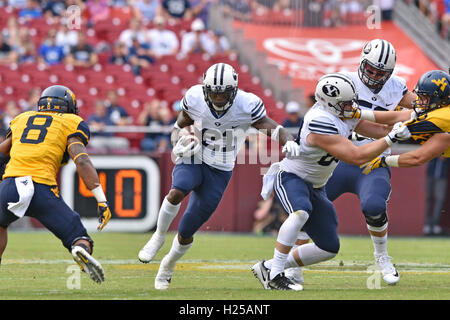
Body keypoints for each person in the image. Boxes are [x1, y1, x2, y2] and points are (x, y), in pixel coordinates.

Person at [138, 62, 301, 290]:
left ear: (233, 91)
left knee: (187, 230)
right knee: (178, 190)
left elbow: (269, 126)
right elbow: (179, 126)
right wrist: (180, 140)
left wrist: (288, 140)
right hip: (196, 156)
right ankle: (158, 235)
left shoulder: (247, 104)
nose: (216, 98)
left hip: (221, 168)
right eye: (212, 92)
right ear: (205, 89)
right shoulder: (194, 97)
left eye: (222, 93)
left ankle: (167, 266)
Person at [251, 72, 411, 291]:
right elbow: (356, 156)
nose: (351, 106)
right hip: (292, 177)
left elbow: (379, 129)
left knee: (328, 247)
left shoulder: (341, 112)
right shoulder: (319, 120)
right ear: (329, 102)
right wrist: (391, 138)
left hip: (316, 186)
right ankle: (275, 275)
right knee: (301, 213)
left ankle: (267, 266)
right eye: (346, 103)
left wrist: (415, 120)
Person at [291, 39, 418, 286]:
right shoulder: (342, 82)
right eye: (370, 69)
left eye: (380, 72)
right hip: (336, 161)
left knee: (374, 205)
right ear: (361, 62)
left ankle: (382, 257)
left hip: (372, 161)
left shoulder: (395, 87)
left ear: (390, 72)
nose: (373, 75)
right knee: (306, 211)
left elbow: (421, 110)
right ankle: (293, 266)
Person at [0, 85, 112, 283]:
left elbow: (2, 154)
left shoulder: (21, 119)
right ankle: (80, 249)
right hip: (41, 189)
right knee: (78, 236)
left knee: (0, 224)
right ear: (68, 106)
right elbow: (82, 160)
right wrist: (102, 201)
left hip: (10, 184)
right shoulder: (71, 122)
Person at [423, 157, 450, 236]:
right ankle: (427, 224)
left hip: (442, 176)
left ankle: (435, 224)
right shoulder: (434, 145)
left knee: (440, 199)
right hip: (430, 174)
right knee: (428, 198)